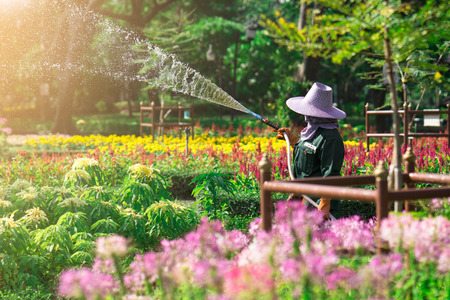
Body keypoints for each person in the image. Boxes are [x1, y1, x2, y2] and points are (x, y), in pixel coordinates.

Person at [276, 82, 346, 219]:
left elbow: (330, 173)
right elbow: (308, 152)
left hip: (316, 199)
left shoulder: (330, 138)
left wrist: (325, 203)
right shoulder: (312, 131)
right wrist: (291, 139)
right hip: (302, 193)